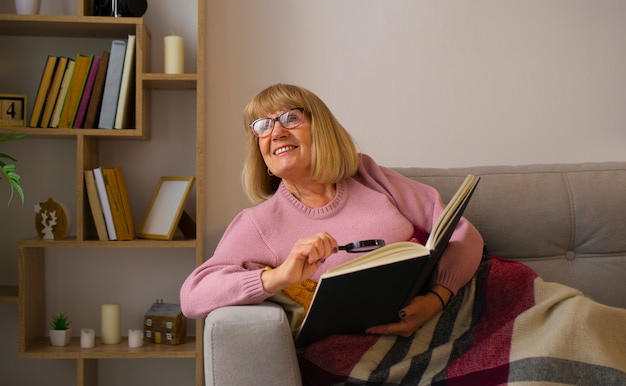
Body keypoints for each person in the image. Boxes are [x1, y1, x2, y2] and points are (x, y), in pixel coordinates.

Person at [180, 83, 483, 337]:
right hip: (358, 348)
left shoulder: (368, 174)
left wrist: (438, 297)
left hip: (444, 314)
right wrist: (280, 277)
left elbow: (460, 231)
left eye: (290, 117)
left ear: (320, 128)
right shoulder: (258, 223)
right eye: (263, 125)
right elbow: (193, 295)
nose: (276, 132)